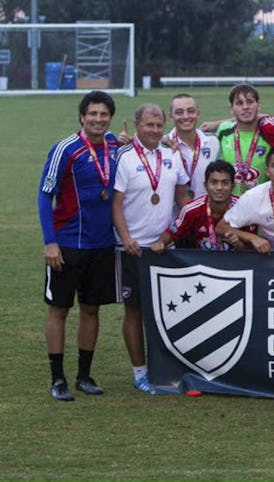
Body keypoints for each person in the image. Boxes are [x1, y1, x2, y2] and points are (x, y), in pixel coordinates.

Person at [38, 91, 120, 401]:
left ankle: (84, 376)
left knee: (91, 309)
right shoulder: (65, 149)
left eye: (104, 114)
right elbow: (45, 195)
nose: (98, 119)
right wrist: (50, 242)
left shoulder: (114, 145)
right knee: (59, 309)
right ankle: (57, 379)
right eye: (93, 114)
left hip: (102, 245)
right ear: (82, 117)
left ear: (109, 118)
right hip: (68, 244)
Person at [112, 103, 190, 394]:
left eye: (159, 125)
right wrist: (126, 238)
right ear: (137, 125)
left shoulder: (171, 154)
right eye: (149, 125)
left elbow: (183, 197)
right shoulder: (124, 157)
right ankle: (139, 373)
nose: (155, 131)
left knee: (168, 310)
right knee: (134, 310)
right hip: (133, 248)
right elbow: (116, 204)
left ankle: (168, 368)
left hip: (164, 248)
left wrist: (189, 229)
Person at [151, 161, 245, 252]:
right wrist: (160, 243)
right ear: (205, 186)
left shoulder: (243, 208)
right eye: (214, 182)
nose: (219, 188)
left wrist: (239, 245)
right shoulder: (191, 210)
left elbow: (252, 247)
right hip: (202, 262)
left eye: (225, 183)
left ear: (233, 186)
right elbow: (171, 233)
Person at [216, 84, 271, 194]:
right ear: (231, 109)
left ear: (258, 106)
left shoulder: (270, 134)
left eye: (250, 102)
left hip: (260, 201)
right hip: (228, 202)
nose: (245, 107)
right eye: (239, 103)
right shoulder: (223, 131)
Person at [167, 93, 220, 199]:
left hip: (206, 209)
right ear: (171, 116)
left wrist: (218, 123)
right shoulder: (162, 146)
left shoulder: (212, 142)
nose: (186, 116)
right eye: (179, 112)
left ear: (198, 113)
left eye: (190, 111)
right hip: (175, 209)